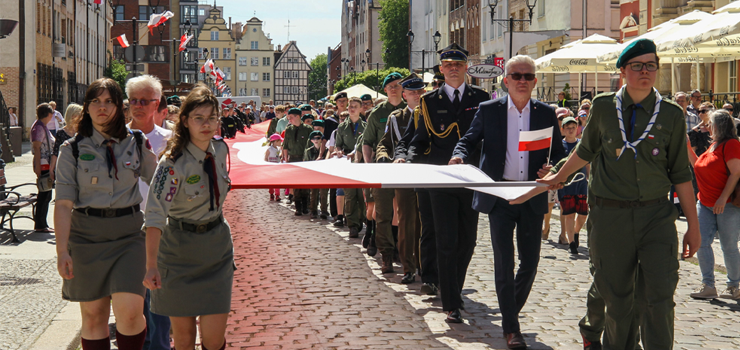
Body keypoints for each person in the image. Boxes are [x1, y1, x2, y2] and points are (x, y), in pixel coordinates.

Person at [537, 39, 699, 349]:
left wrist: (693, 225)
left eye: (651, 65)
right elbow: (586, 150)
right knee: (619, 301)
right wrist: (560, 175)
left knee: (660, 297)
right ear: (622, 71)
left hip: (656, 218)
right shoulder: (602, 107)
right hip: (611, 217)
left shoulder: (671, 115)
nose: (645, 72)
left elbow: (681, 174)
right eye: (637, 66)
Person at [450, 54, 565, 347]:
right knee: (504, 262)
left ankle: (508, 311)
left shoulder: (545, 112)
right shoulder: (489, 110)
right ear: (506, 80)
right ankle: (512, 329)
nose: (522, 81)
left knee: (530, 261)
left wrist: (552, 166)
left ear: (535, 81)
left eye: (528, 76)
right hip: (500, 195)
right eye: (517, 75)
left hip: (531, 194)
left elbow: (560, 152)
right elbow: (469, 139)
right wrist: (459, 154)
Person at [54, 78, 158, 350]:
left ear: (118, 107)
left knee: (132, 312)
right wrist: (61, 251)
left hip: (130, 235)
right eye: (95, 101)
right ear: (86, 108)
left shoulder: (136, 141)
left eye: (109, 101)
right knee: (93, 316)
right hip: (86, 237)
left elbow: (160, 182)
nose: (102, 107)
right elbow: (63, 204)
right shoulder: (72, 150)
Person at [143, 85, 233, 350]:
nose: (206, 125)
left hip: (216, 251)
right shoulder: (172, 164)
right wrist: (151, 265)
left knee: (214, 340)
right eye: (199, 118)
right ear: (185, 121)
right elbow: (155, 215)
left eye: (212, 118)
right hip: (178, 253)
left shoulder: (221, 151)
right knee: (183, 339)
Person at [406, 43, 491, 325]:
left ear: (466, 67)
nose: (453, 68)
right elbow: (419, 141)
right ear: (441, 69)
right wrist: (409, 165)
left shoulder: (483, 98)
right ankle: (451, 302)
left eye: (458, 64)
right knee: (446, 239)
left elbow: (490, 141)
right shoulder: (428, 101)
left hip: (470, 178)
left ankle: (453, 285)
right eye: (448, 65)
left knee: (467, 240)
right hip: (440, 179)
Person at [124, 74, 174, 350]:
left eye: (145, 101)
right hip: (126, 227)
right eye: (133, 100)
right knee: (132, 298)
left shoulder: (171, 139)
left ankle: (160, 345)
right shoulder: (115, 138)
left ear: (157, 104)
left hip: (160, 227)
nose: (138, 105)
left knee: (157, 295)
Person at [376, 73, 425, 284]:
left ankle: (426, 266)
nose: (416, 95)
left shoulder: (430, 115)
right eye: (412, 92)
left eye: (419, 91)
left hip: (427, 176)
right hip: (404, 177)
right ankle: (408, 267)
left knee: (426, 224)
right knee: (406, 222)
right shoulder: (395, 118)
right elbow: (384, 144)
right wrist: (384, 158)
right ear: (404, 95)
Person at [687, 109, 740, 300]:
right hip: (705, 202)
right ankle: (708, 284)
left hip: (727, 205)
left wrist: (722, 198)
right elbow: (697, 166)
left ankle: (734, 286)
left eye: (710, 123)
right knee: (701, 243)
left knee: (729, 246)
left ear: (719, 125)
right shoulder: (713, 145)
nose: (706, 126)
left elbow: (736, 173)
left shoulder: (731, 144)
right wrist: (687, 147)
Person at [363, 72, 407, 273]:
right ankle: (386, 255)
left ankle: (403, 251)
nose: (395, 88)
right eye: (391, 86)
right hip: (382, 170)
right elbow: (367, 143)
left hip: (407, 171)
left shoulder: (411, 110)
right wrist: (370, 167)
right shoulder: (377, 113)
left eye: (398, 85)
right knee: (383, 214)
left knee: (406, 214)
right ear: (386, 90)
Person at [333, 98, 367, 237]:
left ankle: (360, 220)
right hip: (347, 165)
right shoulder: (342, 127)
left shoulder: (366, 126)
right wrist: (339, 151)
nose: (352, 109)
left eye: (355, 106)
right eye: (350, 106)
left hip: (362, 164)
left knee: (361, 195)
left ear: (360, 109)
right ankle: (352, 224)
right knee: (350, 195)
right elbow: (338, 144)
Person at [557, 116, 589, 254]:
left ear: (577, 129)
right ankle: (571, 243)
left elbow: (587, 162)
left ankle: (576, 232)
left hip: (581, 183)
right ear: (563, 129)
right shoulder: (559, 145)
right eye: (567, 128)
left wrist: (588, 177)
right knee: (569, 213)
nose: (570, 130)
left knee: (582, 214)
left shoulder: (582, 144)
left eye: (573, 127)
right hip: (566, 184)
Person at [282, 108, 313, 216]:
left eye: (291, 117)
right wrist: (286, 159)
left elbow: (311, 145)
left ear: (297, 117)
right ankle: (298, 207)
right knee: (295, 185)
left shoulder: (308, 129)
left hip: (304, 159)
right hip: (293, 159)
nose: (289, 120)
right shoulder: (289, 130)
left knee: (305, 185)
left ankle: (305, 206)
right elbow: (285, 145)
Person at [32, 103, 56, 233]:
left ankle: (42, 223)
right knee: (44, 194)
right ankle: (40, 224)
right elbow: (37, 147)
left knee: (46, 195)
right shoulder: (39, 127)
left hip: (46, 163)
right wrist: (37, 167)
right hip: (43, 164)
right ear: (49, 114)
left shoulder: (42, 126)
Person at [51, 104, 83, 183]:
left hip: (80, 167)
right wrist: (51, 169)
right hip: (65, 166)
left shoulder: (82, 132)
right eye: (80, 115)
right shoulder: (61, 133)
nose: (82, 118)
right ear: (73, 116)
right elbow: (56, 152)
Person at [304, 131, 328, 219]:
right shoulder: (309, 151)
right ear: (311, 140)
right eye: (314, 138)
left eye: (318, 138)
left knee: (323, 194)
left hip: (324, 175)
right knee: (313, 194)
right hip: (313, 175)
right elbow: (306, 163)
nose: (316, 140)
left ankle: (324, 211)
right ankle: (313, 211)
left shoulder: (327, 151)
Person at [265, 134, 283, 201]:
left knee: (277, 182)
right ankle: (271, 193)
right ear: (275, 141)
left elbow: (279, 157)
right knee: (271, 183)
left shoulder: (279, 149)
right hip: (270, 168)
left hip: (277, 168)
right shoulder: (269, 149)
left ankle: (277, 195)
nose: (280, 142)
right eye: (279, 141)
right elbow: (266, 158)